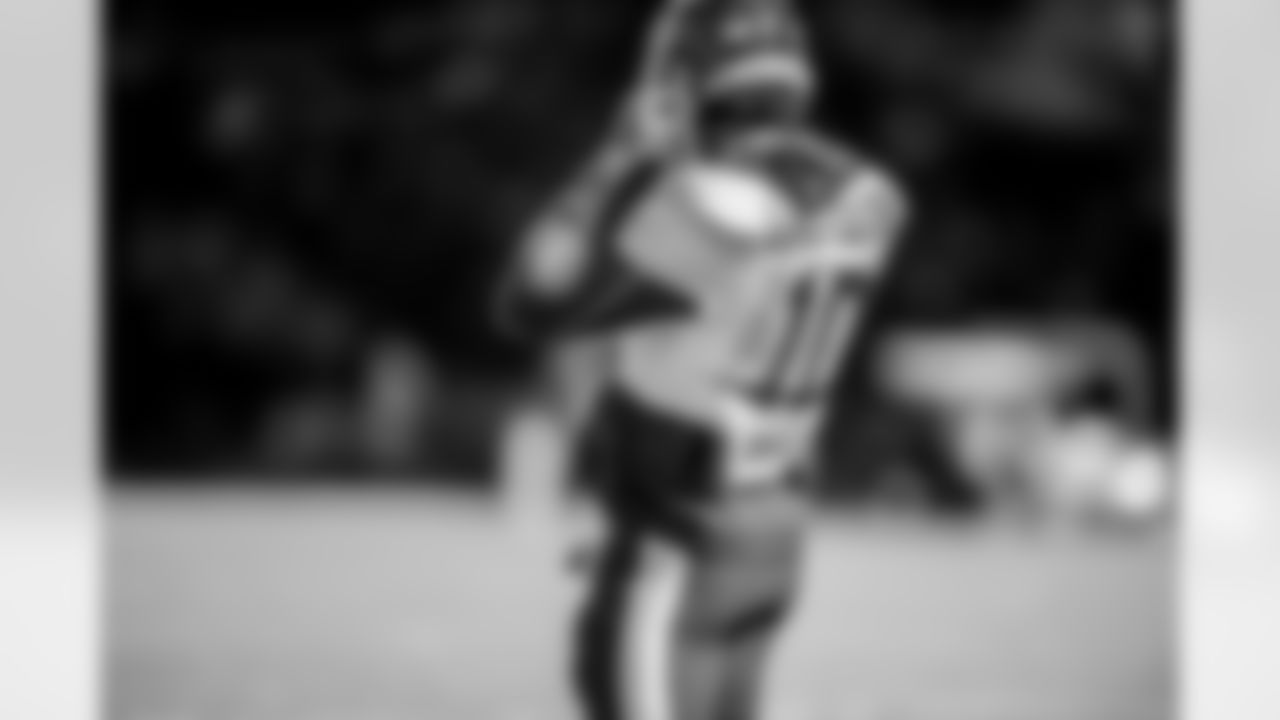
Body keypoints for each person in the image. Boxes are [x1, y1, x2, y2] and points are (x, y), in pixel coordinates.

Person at [495, 1, 910, 718]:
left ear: (686, 83)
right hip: (774, 526)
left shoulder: (708, 202)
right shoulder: (864, 195)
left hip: (684, 529)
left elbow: (534, 300)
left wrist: (617, 154)